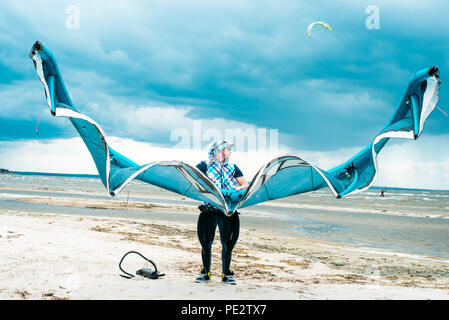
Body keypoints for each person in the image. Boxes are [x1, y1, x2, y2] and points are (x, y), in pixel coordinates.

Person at [194, 140, 249, 284]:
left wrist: (239, 188)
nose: (230, 151)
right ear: (220, 150)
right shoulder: (204, 165)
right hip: (209, 209)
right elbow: (192, 180)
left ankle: (226, 274)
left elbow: (245, 184)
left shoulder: (232, 167)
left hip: (227, 210)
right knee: (206, 243)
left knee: (227, 244)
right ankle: (206, 272)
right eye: (228, 149)